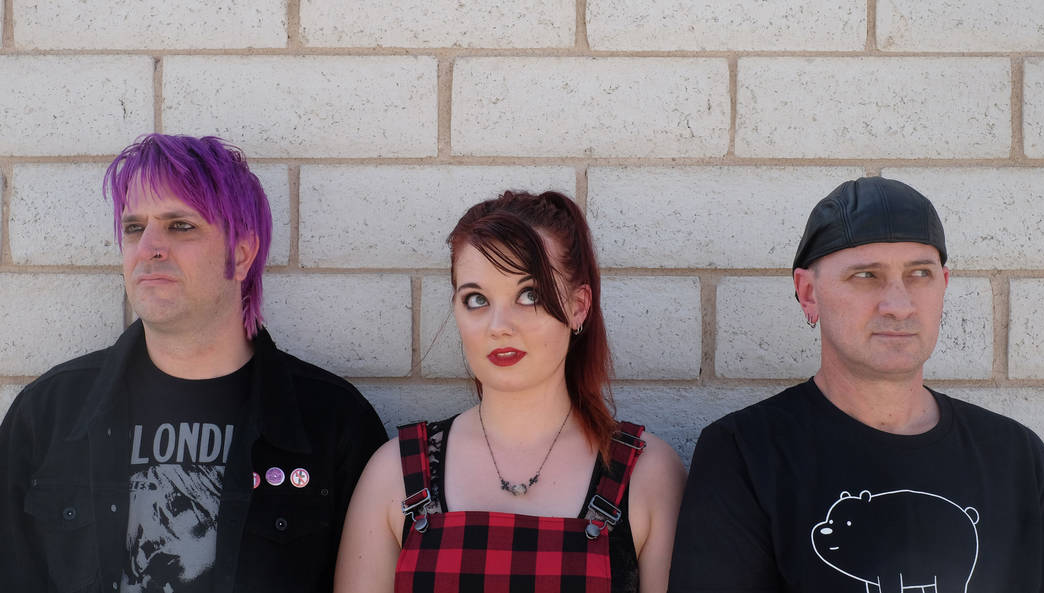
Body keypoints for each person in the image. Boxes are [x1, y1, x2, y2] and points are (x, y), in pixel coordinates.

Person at [0, 134, 387, 593]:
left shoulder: (333, 423)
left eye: (180, 226)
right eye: (133, 228)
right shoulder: (48, 415)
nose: (149, 247)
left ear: (240, 254)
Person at [668, 176, 1044, 592]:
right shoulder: (746, 453)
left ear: (943, 284)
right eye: (866, 275)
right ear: (808, 293)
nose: (899, 305)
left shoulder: (1017, 457)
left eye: (920, 273)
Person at [334, 190, 685, 593]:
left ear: (578, 306)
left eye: (529, 295)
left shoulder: (648, 475)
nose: (499, 325)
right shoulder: (393, 474)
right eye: (477, 299)